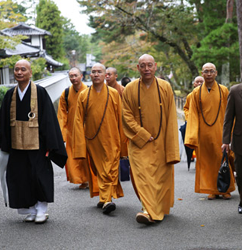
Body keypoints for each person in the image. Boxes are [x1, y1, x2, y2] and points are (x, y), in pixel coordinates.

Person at [0, 59, 67, 224]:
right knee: (21, 177)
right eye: (17, 69)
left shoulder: (39, 92)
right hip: (16, 145)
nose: (19, 72)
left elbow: (48, 119)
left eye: (23, 69)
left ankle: (41, 209)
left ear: (30, 73)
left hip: (37, 145)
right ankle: (30, 209)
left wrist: (50, 145)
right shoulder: (10, 94)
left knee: (38, 176)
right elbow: (3, 120)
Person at [122, 54, 180, 225]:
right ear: (137, 68)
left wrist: (171, 145)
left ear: (155, 66)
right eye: (142, 65)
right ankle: (148, 211)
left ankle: (154, 207)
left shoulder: (165, 87)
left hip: (161, 141)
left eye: (149, 65)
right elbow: (126, 115)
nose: (146, 69)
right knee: (143, 177)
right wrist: (142, 134)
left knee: (160, 178)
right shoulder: (130, 89)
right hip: (140, 142)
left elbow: (171, 117)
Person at [73, 63, 127, 214]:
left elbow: (120, 118)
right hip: (92, 140)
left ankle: (107, 199)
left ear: (105, 75)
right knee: (99, 169)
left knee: (109, 169)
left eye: (99, 72)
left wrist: (123, 142)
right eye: (93, 72)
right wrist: (80, 144)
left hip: (112, 138)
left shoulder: (113, 93)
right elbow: (78, 121)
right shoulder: (84, 95)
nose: (96, 74)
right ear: (89, 75)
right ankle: (104, 198)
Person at [185, 62, 235, 200]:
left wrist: (230, 132)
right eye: (206, 71)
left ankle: (226, 189)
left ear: (216, 73)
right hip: (203, 133)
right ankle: (212, 188)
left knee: (222, 158)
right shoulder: (196, 93)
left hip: (220, 130)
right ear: (202, 73)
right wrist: (192, 136)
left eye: (211, 71)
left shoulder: (224, 90)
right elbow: (192, 114)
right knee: (207, 161)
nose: (208, 74)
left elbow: (230, 113)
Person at [57, 67, 89, 189]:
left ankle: (89, 178)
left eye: (75, 75)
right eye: (71, 76)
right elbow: (62, 115)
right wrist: (62, 133)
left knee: (86, 156)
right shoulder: (65, 93)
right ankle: (81, 179)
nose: (73, 78)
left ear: (81, 76)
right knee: (72, 157)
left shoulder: (88, 91)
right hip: (71, 130)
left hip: (86, 129)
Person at [222, 82, 242, 213]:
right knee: (240, 174)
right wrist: (225, 141)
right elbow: (228, 118)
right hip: (240, 139)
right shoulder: (235, 91)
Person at [181, 76, 204, 170]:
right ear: (194, 84)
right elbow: (186, 108)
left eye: (201, 82)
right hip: (192, 121)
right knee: (183, 130)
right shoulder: (190, 95)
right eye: (197, 82)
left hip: (207, 122)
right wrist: (189, 118)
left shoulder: (209, 94)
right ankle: (190, 154)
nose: (199, 84)